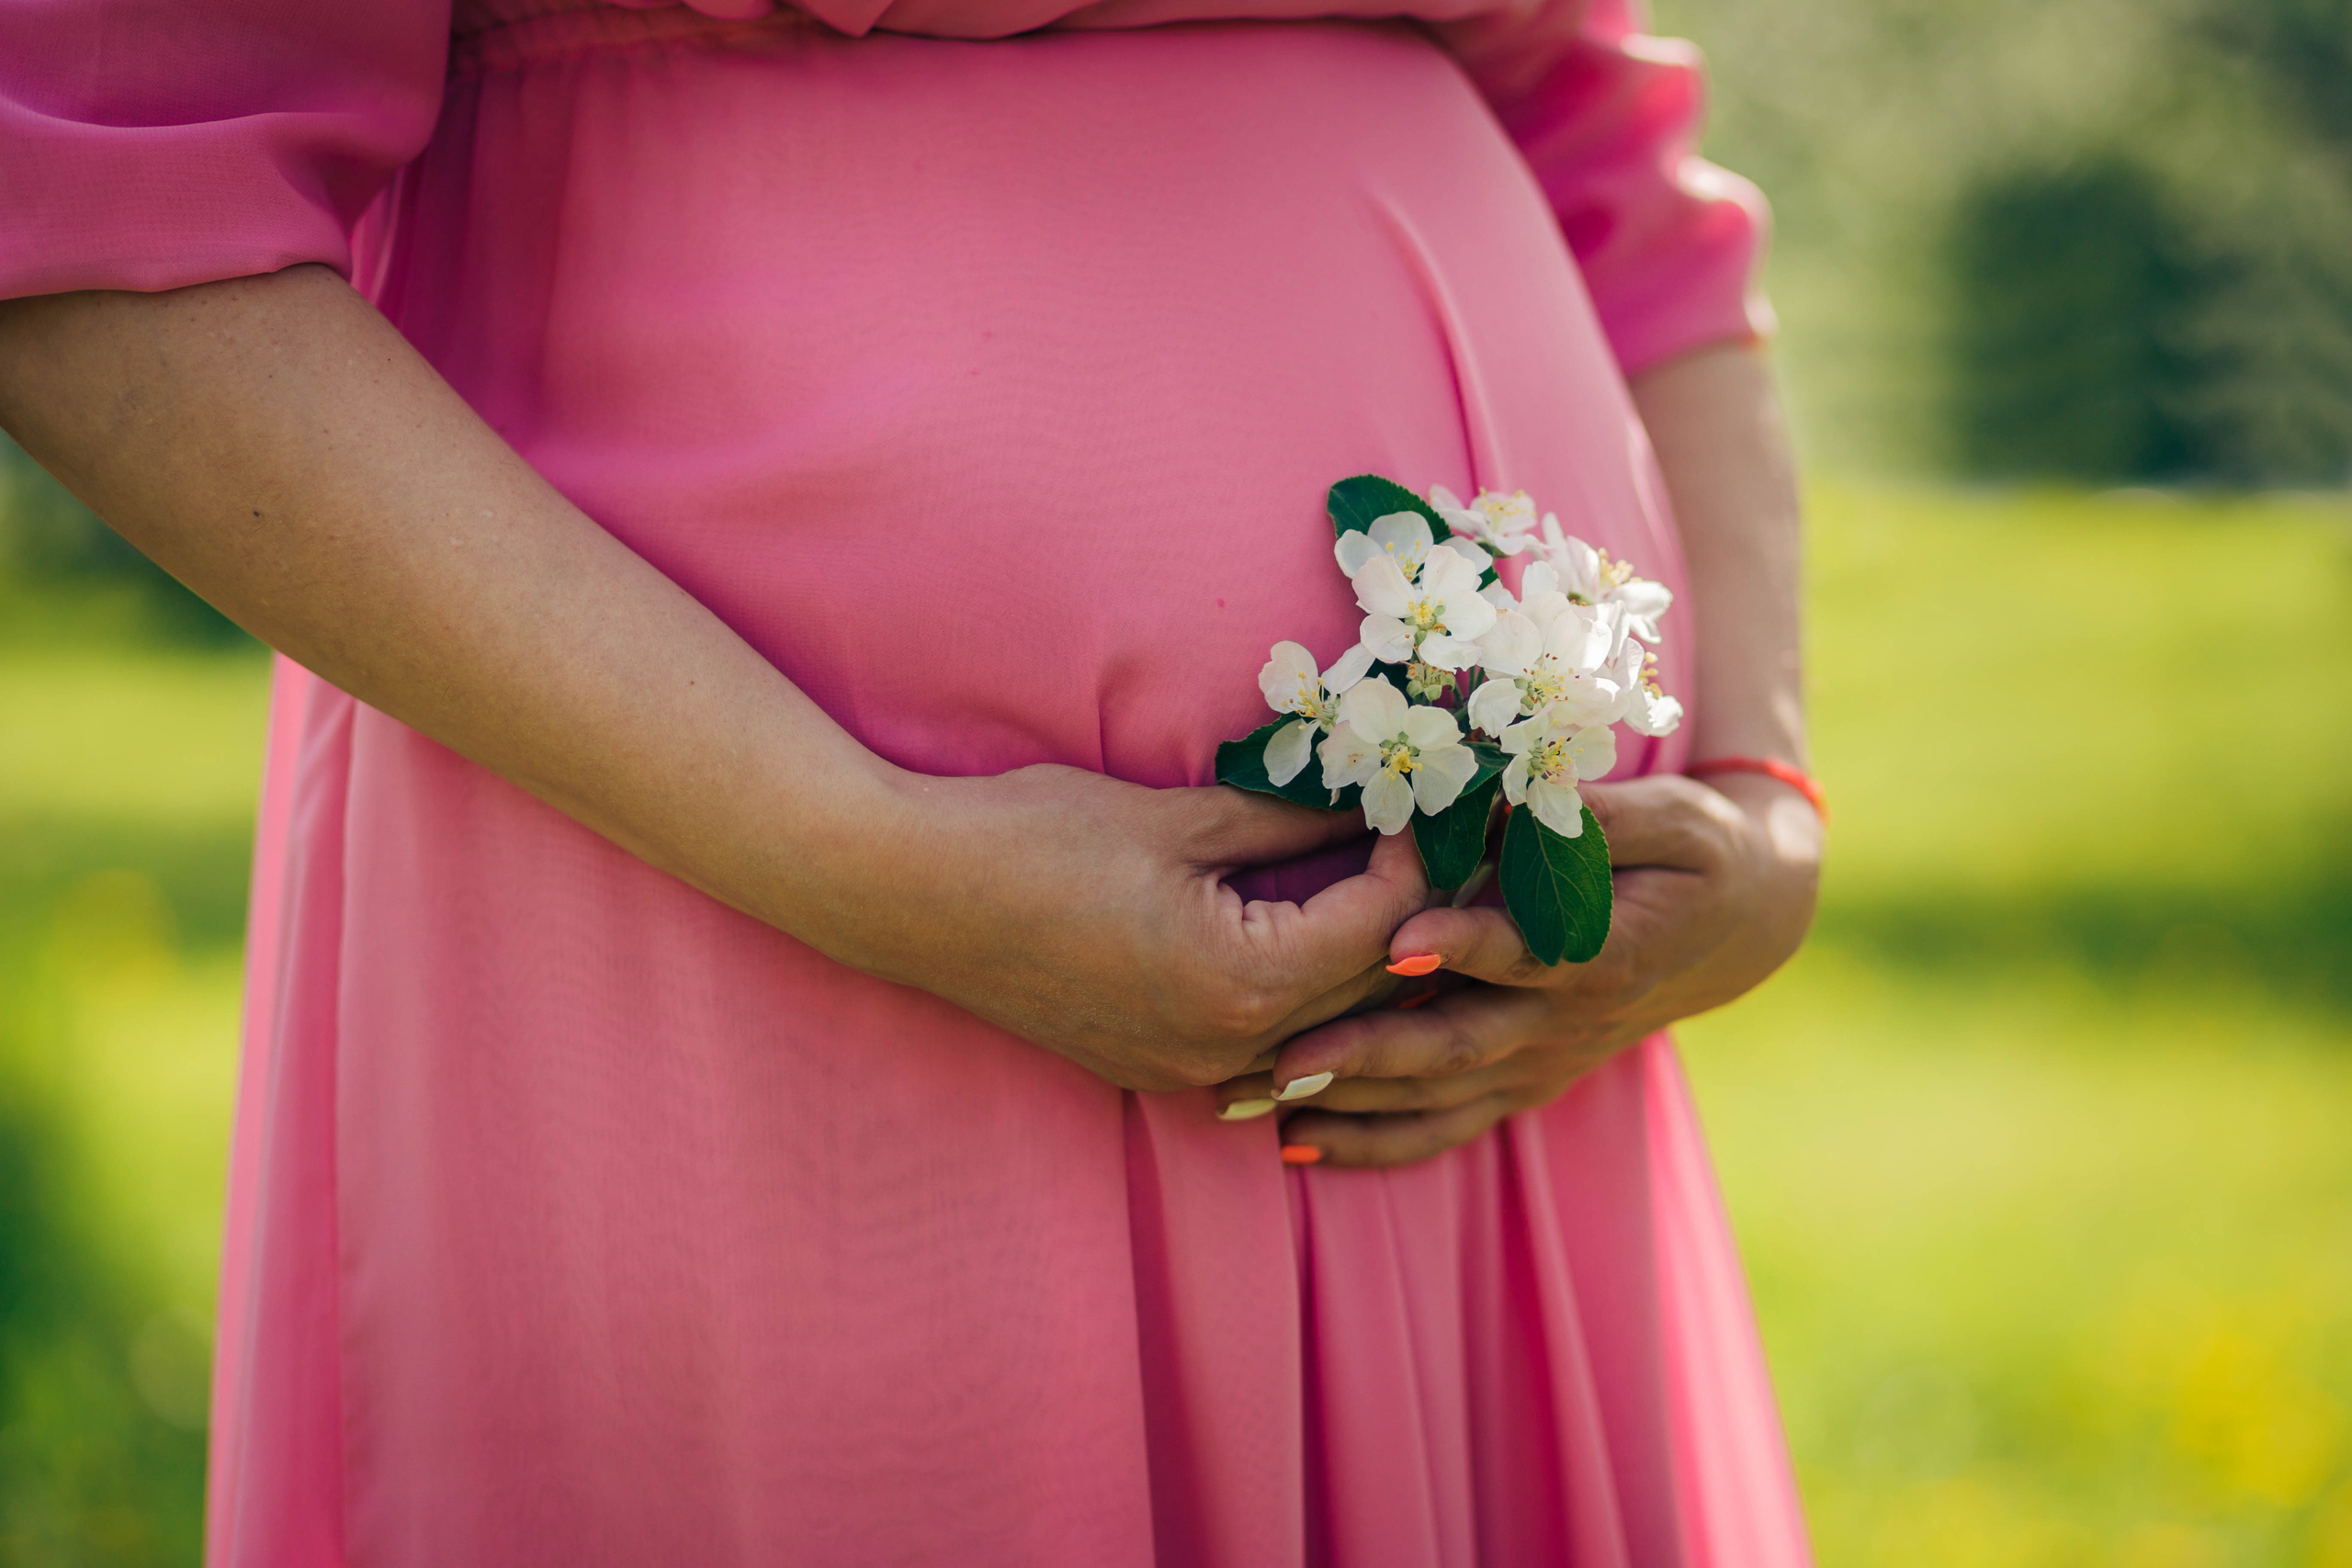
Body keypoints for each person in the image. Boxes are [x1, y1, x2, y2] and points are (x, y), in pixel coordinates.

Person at [0, 0, 1824, 1561]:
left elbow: (1615, 175)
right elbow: (90, 216)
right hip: (742, 943)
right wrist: (862, 854)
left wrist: (1757, 803)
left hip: (1488, 1086)